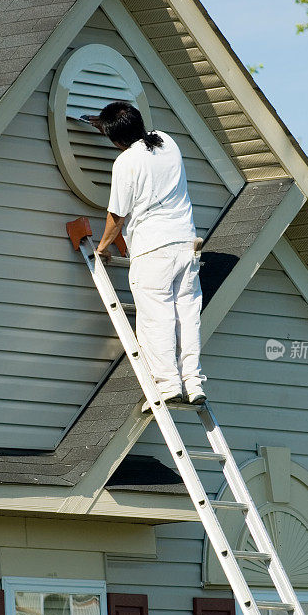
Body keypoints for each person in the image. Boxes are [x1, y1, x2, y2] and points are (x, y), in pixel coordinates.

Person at [92, 101, 207, 407]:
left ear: (117, 141)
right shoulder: (166, 141)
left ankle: (168, 384)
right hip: (185, 245)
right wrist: (106, 124)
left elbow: (117, 216)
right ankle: (193, 383)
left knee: (156, 319)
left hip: (152, 250)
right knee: (187, 316)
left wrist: (101, 249)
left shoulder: (125, 163)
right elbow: (140, 142)